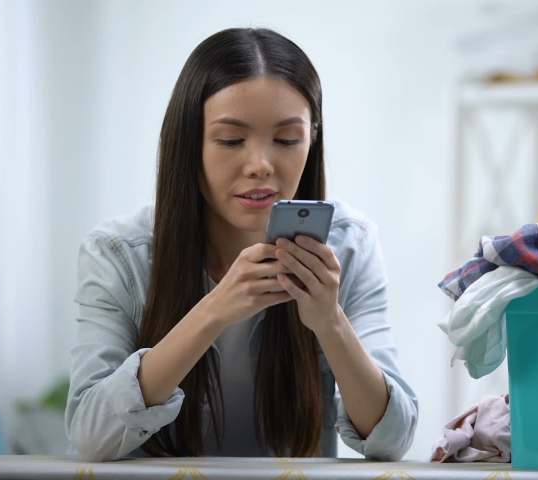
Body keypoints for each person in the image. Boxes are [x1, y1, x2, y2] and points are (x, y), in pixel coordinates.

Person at [65, 27, 418, 462]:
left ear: (312, 139)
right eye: (231, 140)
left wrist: (329, 322)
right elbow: (91, 435)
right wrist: (214, 311)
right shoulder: (119, 253)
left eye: (287, 140)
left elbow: (393, 440)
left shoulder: (350, 246)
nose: (260, 166)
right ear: (189, 142)